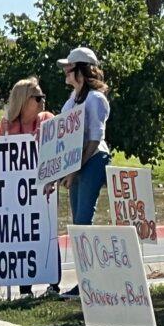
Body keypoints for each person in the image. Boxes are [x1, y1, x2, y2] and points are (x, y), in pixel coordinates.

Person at [45, 46, 112, 298]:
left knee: (83, 221)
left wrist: (74, 170)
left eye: (69, 67)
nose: (65, 71)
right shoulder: (72, 99)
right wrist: (57, 174)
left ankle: (90, 282)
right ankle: (87, 280)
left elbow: (95, 139)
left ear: (80, 71)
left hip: (93, 161)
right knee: (78, 223)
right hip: (78, 165)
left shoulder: (95, 99)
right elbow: (64, 140)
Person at [0, 78, 54, 296]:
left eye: (43, 97)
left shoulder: (48, 120)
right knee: (23, 237)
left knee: (48, 233)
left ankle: (53, 285)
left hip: (45, 190)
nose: (42, 101)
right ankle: (24, 290)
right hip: (17, 193)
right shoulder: (6, 126)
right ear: (22, 100)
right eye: (37, 97)